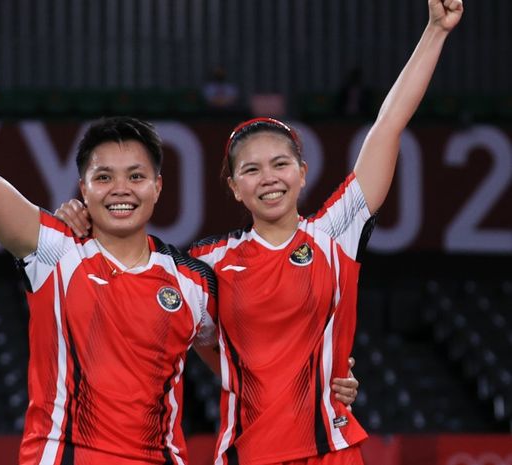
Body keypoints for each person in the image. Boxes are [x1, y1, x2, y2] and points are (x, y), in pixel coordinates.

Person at [55, 0, 463, 463]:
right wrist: (79, 220)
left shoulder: (335, 235)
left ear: (303, 173)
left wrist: (435, 31)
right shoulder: (206, 263)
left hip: (332, 450)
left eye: (281, 164)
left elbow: (388, 126)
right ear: (234, 188)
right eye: (251, 169)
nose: (268, 177)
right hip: (244, 454)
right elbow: (155, 309)